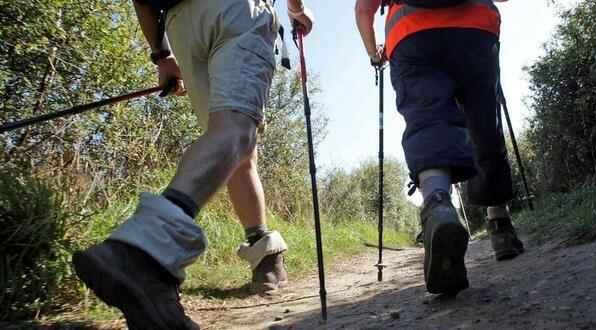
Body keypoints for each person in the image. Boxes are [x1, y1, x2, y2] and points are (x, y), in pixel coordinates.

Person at [71, 0, 314, 328]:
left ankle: (263, 252)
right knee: (237, 131)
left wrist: (162, 57)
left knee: (230, 141)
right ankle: (146, 253)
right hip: (236, 10)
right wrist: (298, 12)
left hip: (179, 25)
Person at [355, 0, 524, 295]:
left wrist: (374, 54)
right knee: (483, 122)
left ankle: (438, 204)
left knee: (428, 120)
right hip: (475, 30)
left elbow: (362, 9)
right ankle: (500, 225)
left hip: (411, 34)